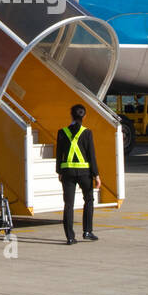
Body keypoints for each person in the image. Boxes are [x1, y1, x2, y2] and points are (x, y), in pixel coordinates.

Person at [56, 103, 100, 244]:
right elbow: (91, 156)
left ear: (71, 115)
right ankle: (87, 231)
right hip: (84, 173)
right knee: (89, 200)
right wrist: (96, 175)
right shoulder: (87, 133)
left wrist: (59, 171)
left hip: (67, 172)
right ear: (84, 116)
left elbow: (59, 154)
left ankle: (70, 237)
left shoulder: (62, 132)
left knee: (68, 204)